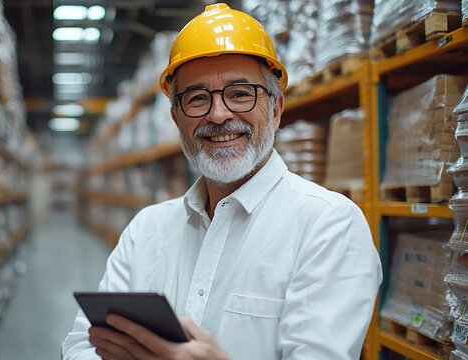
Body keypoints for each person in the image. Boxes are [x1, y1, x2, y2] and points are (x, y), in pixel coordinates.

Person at [62, 3, 382, 359]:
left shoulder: (328, 226)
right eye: (197, 99)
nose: (218, 114)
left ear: (275, 110)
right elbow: (83, 346)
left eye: (240, 93)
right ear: (176, 118)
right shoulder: (146, 231)